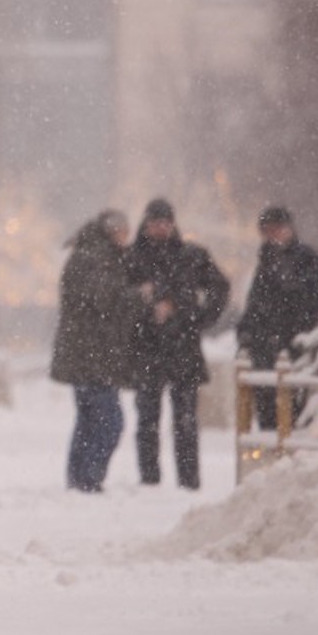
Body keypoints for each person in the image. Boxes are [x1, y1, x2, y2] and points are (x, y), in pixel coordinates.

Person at [123, 198, 230, 490]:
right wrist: (146, 309)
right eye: (155, 222)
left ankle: (188, 480)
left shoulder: (191, 256)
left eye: (166, 222)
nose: (161, 228)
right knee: (148, 420)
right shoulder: (131, 258)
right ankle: (150, 480)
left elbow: (219, 287)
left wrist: (197, 317)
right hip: (147, 347)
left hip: (183, 347)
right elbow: (119, 300)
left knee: (185, 420)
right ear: (146, 224)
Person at [53, 210, 138, 493]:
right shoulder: (96, 258)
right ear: (113, 232)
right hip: (92, 355)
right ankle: (89, 479)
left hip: (87, 355)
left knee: (89, 420)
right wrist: (138, 295)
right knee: (109, 422)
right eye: (124, 231)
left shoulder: (89, 254)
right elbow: (103, 300)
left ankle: (80, 479)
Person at [236, 205, 318, 430]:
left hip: (294, 348)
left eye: (276, 229)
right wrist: (246, 333)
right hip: (265, 349)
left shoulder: (308, 260)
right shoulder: (266, 262)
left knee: (293, 415)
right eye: (268, 231)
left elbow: (307, 303)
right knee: (267, 415)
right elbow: (255, 304)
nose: (272, 236)